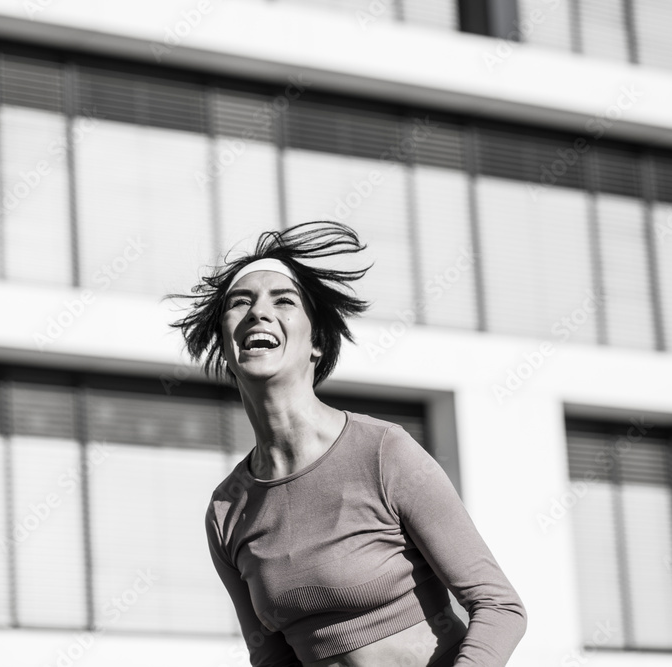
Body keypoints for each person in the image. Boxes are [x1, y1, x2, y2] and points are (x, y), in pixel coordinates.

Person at [167, 221, 527, 666]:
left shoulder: (383, 453)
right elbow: (271, 659)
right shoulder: (226, 510)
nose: (259, 312)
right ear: (225, 340)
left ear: (316, 342)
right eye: (241, 302)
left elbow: (499, 607)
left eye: (283, 300)